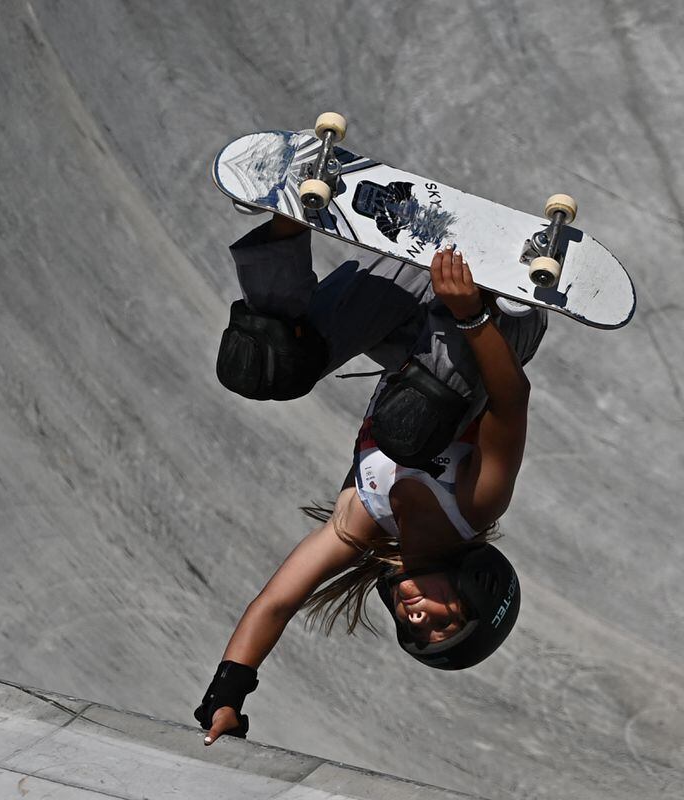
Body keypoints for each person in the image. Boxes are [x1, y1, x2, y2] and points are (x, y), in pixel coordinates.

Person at [196, 214, 545, 745]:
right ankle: (506, 291)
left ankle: (293, 213)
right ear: (472, 591)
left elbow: (275, 603)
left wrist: (226, 696)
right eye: (440, 624)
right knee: (411, 427)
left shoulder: (357, 524)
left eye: (413, 633)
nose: (415, 620)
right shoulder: (474, 504)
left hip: (406, 311)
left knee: (266, 361)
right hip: (491, 323)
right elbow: (511, 400)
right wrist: (473, 315)